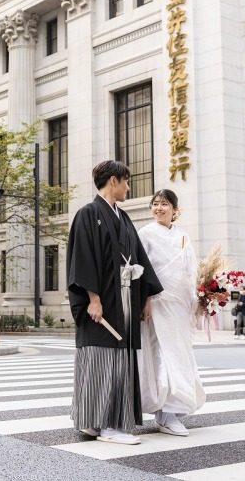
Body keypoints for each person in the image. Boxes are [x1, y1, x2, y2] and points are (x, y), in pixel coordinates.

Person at [67, 160, 163, 445]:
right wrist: (93, 298)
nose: (128, 187)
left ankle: (98, 422)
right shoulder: (88, 214)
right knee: (100, 360)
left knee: (118, 360)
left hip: (125, 302)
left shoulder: (123, 218)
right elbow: (81, 259)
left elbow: (140, 260)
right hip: (103, 303)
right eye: (126, 181)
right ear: (113, 181)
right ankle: (106, 425)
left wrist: (145, 298)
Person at [136, 189, 205, 437]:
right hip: (157, 303)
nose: (159, 208)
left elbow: (192, 272)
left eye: (164, 204)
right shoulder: (145, 234)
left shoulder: (183, 235)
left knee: (179, 355)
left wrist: (201, 298)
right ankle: (164, 412)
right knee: (160, 356)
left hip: (180, 305)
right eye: (155, 204)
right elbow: (140, 270)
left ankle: (174, 408)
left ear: (175, 210)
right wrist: (144, 300)